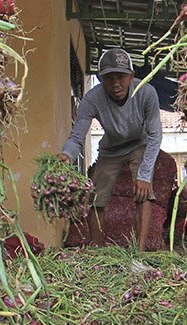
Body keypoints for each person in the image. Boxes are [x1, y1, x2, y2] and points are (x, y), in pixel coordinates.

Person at [57, 48, 163, 252]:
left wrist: (144, 174)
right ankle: (98, 250)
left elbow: (155, 136)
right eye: (109, 78)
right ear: (101, 79)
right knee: (95, 197)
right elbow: (77, 136)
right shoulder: (91, 99)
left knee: (144, 191)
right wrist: (66, 155)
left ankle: (138, 252)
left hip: (139, 143)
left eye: (121, 77)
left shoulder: (146, 92)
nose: (116, 84)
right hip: (110, 149)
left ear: (131, 76)